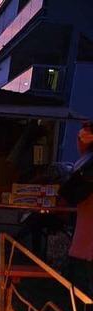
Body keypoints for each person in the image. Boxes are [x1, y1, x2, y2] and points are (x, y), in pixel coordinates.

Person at [66, 122, 93, 294]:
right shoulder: (86, 162)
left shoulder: (86, 163)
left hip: (85, 246)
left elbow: (71, 195)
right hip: (84, 244)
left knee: (84, 295)